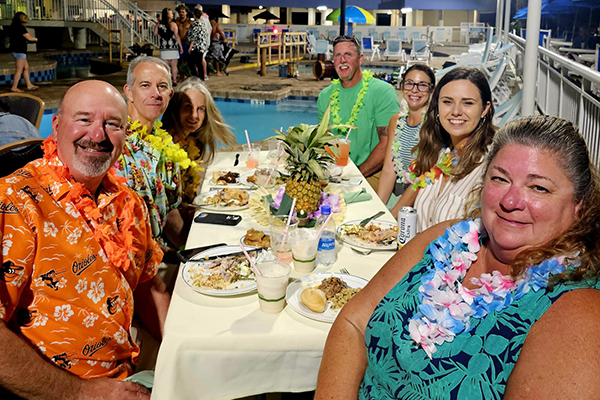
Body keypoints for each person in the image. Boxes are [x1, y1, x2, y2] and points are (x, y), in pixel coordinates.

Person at [315, 115, 600, 399]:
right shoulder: (445, 238)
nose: (510, 201)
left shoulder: (578, 311)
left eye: (539, 188)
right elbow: (352, 325)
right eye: (500, 179)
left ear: (579, 205)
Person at [0, 80, 168, 399]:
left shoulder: (128, 202)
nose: (97, 135)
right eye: (84, 119)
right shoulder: (15, 202)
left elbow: (149, 287)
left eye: (112, 124)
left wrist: (186, 347)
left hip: (126, 371)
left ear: (125, 134)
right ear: (57, 124)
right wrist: (80, 392)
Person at [392, 67, 495, 231]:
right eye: (447, 102)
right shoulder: (440, 152)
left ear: (484, 109)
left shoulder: (490, 167)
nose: (456, 111)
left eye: (467, 103)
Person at [116, 56, 198, 253]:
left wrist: (189, 252)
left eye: (162, 86)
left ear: (170, 95)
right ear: (129, 92)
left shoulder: (166, 148)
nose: (156, 94)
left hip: (161, 255)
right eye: (145, 85)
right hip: (128, 264)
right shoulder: (112, 144)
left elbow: (170, 213)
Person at [317, 35, 400, 191]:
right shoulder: (325, 96)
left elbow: (387, 145)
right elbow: (323, 140)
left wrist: (354, 175)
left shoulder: (382, 92)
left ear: (360, 59)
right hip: (334, 173)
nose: (342, 60)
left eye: (348, 55)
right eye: (337, 55)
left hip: (372, 173)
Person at [161, 77, 236, 201]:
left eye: (200, 109)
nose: (194, 115)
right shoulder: (164, 148)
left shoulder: (192, 142)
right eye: (187, 107)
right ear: (176, 108)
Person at [377, 64, 435, 209]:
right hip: (397, 195)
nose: (414, 90)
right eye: (409, 84)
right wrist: (379, 209)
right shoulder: (396, 121)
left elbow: (423, 179)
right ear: (402, 87)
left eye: (422, 85)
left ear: (431, 90)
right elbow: (389, 170)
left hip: (422, 201)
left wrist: (395, 215)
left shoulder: (434, 125)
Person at [9, 12, 38, 92]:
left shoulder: (12, 27)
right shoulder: (21, 28)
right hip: (19, 51)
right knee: (19, 69)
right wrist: (36, 39)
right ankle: (14, 87)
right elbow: (29, 38)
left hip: (16, 50)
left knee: (26, 68)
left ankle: (29, 85)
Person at [153, 8, 183, 85]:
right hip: (173, 46)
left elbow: (155, 33)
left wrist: (157, 24)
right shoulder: (173, 24)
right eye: (171, 13)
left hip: (164, 47)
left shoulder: (159, 25)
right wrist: (180, 47)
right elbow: (177, 36)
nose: (172, 15)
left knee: (165, 65)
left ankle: (166, 80)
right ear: (167, 15)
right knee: (174, 65)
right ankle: (174, 80)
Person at [187, 8, 211, 80]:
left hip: (196, 46)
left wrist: (190, 47)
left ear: (194, 16)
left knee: (191, 62)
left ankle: (195, 76)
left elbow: (194, 37)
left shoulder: (195, 24)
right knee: (199, 62)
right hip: (202, 46)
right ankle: (201, 77)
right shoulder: (202, 23)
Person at [207, 12, 228, 77]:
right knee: (217, 58)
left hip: (208, 42)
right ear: (215, 18)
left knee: (208, 58)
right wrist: (224, 39)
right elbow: (221, 33)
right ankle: (218, 71)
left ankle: (209, 71)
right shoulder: (216, 25)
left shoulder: (207, 24)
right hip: (215, 42)